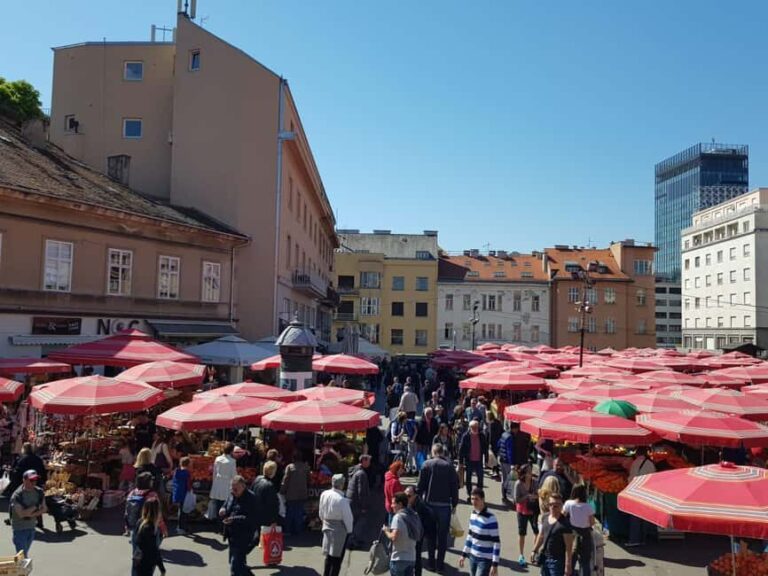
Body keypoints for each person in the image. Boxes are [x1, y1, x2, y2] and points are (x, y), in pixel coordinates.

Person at [416, 443, 459, 573]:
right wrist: (454, 503)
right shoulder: (449, 466)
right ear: (442, 452)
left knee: (430, 536)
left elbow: (420, 486)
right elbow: (454, 486)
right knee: (442, 538)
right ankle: (440, 565)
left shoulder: (426, 465)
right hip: (444, 506)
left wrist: (417, 503)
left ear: (433, 452)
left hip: (429, 505)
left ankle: (431, 563)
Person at [220, 475, 259, 576]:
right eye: (232, 489)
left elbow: (251, 518)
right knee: (237, 564)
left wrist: (233, 520)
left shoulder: (251, 498)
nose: (233, 491)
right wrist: (223, 509)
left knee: (235, 565)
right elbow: (227, 504)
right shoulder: (232, 494)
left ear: (243, 487)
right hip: (232, 535)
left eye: (236, 489)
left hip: (243, 535)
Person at [459, 488, 500, 576]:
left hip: (485, 560)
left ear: (483, 499)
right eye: (472, 499)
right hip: (472, 557)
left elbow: (496, 543)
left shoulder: (491, 518)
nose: (474, 502)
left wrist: (494, 564)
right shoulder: (473, 514)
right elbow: (470, 536)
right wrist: (464, 554)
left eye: (476, 499)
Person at [531, 494, 574, 576]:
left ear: (561, 506)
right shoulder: (545, 517)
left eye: (556, 505)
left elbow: (569, 547)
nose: (553, 507)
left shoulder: (565, 524)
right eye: (551, 504)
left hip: (557, 562)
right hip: (545, 558)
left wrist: (568, 565)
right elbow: (541, 536)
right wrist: (534, 550)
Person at [319, 474, 354, 576]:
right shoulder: (341, 499)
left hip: (327, 526)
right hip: (339, 530)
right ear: (342, 485)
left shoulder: (324, 494)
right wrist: (349, 530)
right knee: (337, 559)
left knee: (328, 557)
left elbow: (321, 512)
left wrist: (324, 521)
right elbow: (348, 518)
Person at [10, 470, 46, 557]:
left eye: (35, 480)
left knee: (22, 556)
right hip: (19, 529)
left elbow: (44, 508)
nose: (34, 482)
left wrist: (31, 514)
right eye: (31, 480)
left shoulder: (39, 492)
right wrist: (36, 506)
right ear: (24, 480)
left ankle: (17, 565)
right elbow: (21, 514)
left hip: (31, 527)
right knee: (23, 556)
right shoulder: (17, 495)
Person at [383, 492, 420, 576]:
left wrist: (386, 531)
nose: (391, 506)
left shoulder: (398, 517)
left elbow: (394, 537)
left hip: (399, 559)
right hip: (411, 558)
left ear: (400, 504)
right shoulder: (413, 515)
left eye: (393, 503)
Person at [626, 447, 657, 547]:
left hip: (636, 491)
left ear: (637, 453)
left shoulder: (635, 463)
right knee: (645, 516)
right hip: (647, 492)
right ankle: (645, 538)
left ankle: (634, 539)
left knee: (635, 517)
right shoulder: (650, 463)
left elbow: (631, 478)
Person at [12, 443, 47, 529]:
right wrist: (43, 481)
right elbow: (43, 471)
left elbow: (17, 471)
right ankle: (40, 522)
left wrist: (15, 480)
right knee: (36, 502)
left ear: (24, 449)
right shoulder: (38, 459)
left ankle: (21, 520)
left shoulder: (22, 459)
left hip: (25, 483)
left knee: (21, 501)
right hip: (36, 482)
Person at [563, 485, 594, 576]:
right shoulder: (588, 507)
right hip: (585, 534)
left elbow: (563, 515)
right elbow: (592, 522)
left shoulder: (569, 503)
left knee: (571, 558)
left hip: (572, 533)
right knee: (585, 561)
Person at [513, 464, 539, 567]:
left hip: (533, 510)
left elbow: (539, 494)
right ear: (524, 473)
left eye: (531, 470)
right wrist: (527, 496)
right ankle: (521, 555)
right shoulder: (518, 484)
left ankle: (534, 552)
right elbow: (516, 500)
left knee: (537, 532)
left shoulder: (534, 482)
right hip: (522, 511)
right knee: (522, 533)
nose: (530, 473)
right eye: (528, 471)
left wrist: (535, 496)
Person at [405, 486, 434, 576]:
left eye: (409, 496)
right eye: (405, 495)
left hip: (417, 536)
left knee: (417, 556)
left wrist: (422, 534)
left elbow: (425, 522)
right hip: (410, 535)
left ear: (415, 496)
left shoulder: (421, 506)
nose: (406, 498)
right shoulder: (406, 503)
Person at [132, 499, 166, 576]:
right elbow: (154, 550)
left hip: (139, 561)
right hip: (147, 563)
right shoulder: (150, 528)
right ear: (157, 511)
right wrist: (162, 568)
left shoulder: (140, 522)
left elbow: (136, 541)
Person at [251, 460, 280, 545]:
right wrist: (274, 520)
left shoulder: (257, 479)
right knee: (264, 540)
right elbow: (273, 505)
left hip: (255, 512)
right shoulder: (270, 485)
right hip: (265, 516)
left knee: (258, 536)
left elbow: (251, 492)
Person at [281, 450, 310, 536]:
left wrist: (282, 490)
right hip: (302, 493)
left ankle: (288, 530)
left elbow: (285, 480)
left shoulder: (290, 467)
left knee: (290, 512)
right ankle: (298, 530)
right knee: (299, 512)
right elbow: (309, 480)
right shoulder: (306, 467)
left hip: (291, 494)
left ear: (293, 458)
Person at [459, 420, 488, 502]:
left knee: (480, 479)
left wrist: (486, 460)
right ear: (470, 427)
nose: (475, 429)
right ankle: (470, 495)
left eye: (476, 427)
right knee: (468, 479)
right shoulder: (466, 436)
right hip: (469, 461)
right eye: (473, 427)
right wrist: (461, 462)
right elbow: (461, 449)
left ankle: (479, 495)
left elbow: (485, 448)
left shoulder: (482, 436)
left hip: (479, 460)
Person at [346, 454, 371, 549]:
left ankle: (352, 540)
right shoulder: (361, 474)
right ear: (363, 461)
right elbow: (361, 491)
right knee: (359, 522)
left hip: (351, 500)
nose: (369, 463)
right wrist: (363, 506)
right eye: (368, 461)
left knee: (352, 522)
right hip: (356, 502)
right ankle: (353, 542)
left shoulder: (354, 470)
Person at [210, 443, 238, 524]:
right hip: (227, 483)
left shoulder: (217, 459)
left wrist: (214, 483)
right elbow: (234, 475)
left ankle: (218, 522)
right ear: (231, 451)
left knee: (218, 503)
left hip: (218, 483)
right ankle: (224, 523)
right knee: (226, 504)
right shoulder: (232, 461)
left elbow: (214, 472)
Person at [171, 456, 192, 535]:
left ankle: (181, 526)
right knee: (183, 512)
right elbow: (188, 484)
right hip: (184, 493)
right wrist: (190, 490)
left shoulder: (176, 471)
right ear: (188, 464)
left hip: (178, 492)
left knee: (181, 510)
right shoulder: (187, 473)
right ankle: (182, 527)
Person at [497, 424, 516, 504]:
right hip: (507, 461)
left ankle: (503, 496)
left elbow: (498, 444)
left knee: (504, 478)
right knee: (510, 479)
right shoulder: (510, 437)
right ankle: (509, 496)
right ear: (514, 429)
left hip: (502, 459)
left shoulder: (504, 434)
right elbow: (509, 451)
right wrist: (512, 463)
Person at [486, 412, 503, 480]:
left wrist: (489, 444)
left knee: (493, 458)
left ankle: (495, 472)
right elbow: (502, 431)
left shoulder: (491, 424)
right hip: (498, 443)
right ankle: (495, 471)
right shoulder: (498, 422)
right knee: (495, 457)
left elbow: (490, 435)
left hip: (493, 443)